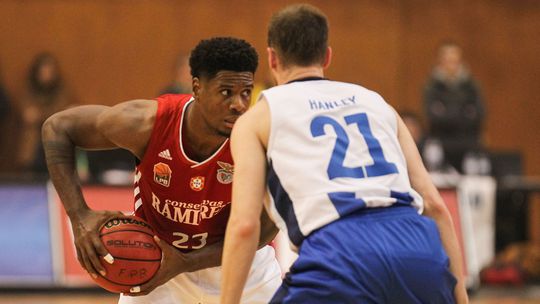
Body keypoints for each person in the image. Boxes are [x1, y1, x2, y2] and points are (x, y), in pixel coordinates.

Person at [221, 4, 468, 304]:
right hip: (418, 246)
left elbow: (246, 225)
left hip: (340, 250)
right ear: (326, 56)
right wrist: (460, 297)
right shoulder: (378, 104)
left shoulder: (257, 118)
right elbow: (435, 206)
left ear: (272, 58)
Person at [42, 37, 281, 304]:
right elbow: (58, 128)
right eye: (226, 92)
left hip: (239, 266)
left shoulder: (262, 137)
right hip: (158, 264)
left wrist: (186, 262)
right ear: (197, 88)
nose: (238, 104)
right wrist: (79, 216)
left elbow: (266, 229)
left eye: (246, 92)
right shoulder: (146, 124)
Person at [423, 42, 485, 173]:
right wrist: (463, 112)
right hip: (441, 144)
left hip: (469, 144)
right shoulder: (431, 87)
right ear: (440, 61)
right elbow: (433, 117)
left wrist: (446, 112)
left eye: (454, 60)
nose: (451, 65)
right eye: (447, 60)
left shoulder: (472, 87)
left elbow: (479, 115)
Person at [18, 52, 75, 174]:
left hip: (56, 138)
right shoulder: (29, 90)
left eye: (49, 70)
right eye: (43, 70)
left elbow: (63, 115)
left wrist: (42, 115)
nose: (46, 74)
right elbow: (29, 116)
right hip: (34, 142)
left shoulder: (62, 91)